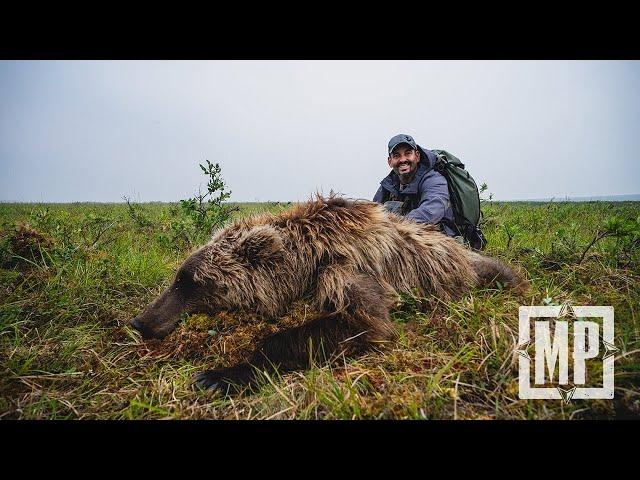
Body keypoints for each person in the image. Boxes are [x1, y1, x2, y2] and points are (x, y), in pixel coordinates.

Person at [373, 133, 458, 237]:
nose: (403, 159)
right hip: (401, 239)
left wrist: (395, 227)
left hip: (438, 241)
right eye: (396, 156)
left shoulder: (434, 181)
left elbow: (431, 211)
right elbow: (373, 213)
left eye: (408, 153)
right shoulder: (387, 186)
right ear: (390, 161)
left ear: (417, 156)